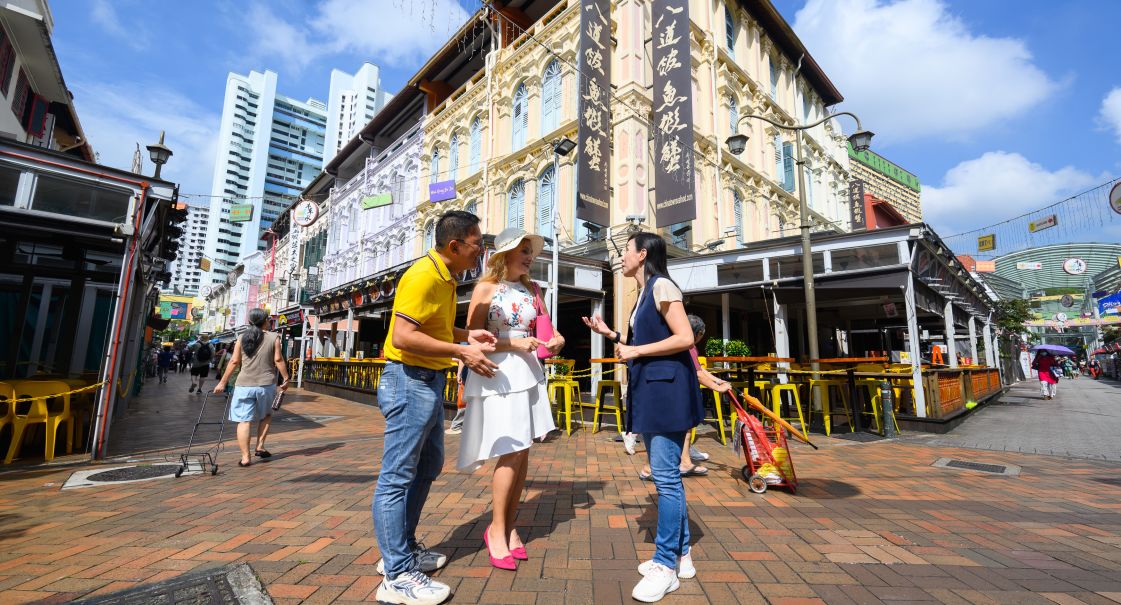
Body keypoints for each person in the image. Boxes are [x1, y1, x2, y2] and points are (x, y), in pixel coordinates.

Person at [372, 210, 498, 605]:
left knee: (426, 468)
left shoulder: (445, 277)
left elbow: (431, 328)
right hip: (408, 380)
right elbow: (404, 336)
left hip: (425, 381)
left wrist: (464, 333)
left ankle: (403, 551)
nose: (482, 251)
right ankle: (395, 575)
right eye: (478, 244)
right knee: (396, 478)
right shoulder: (424, 275)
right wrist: (461, 349)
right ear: (455, 245)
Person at [582, 232, 703, 603]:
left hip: (667, 393)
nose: (621, 257)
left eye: (626, 251)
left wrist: (634, 349)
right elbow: (647, 339)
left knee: (666, 479)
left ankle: (665, 564)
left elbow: (684, 337)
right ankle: (682, 554)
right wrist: (613, 334)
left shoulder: (663, 285)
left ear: (643, 253)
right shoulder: (644, 292)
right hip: (654, 392)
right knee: (667, 478)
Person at [458, 228, 563, 571]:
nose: (529, 256)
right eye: (523, 249)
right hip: (497, 373)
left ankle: (508, 526)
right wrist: (511, 344)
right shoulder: (485, 288)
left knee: (521, 452)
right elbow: (472, 340)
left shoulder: (534, 289)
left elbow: (544, 333)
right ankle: (497, 530)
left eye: (531, 250)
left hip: (528, 372)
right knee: (510, 451)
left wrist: (557, 339)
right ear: (503, 254)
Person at [638, 314, 730, 480]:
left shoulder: (682, 345)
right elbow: (698, 374)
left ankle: (682, 462)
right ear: (698, 333)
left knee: (681, 429)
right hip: (677, 392)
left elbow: (700, 370)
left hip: (670, 391)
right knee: (667, 431)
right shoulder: (687, 346)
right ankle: (652, 467)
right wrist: (717, 388)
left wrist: (717, 380)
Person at [213, 309, 290, 466]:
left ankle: (245, 457)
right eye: (268, 320)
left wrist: (222, 382)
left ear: (250, 322)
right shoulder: (274, 337)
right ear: (265, 321)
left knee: (243, 421)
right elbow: (278, 359)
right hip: (266, 384)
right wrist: (286, 378)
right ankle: (260, 446)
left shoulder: (241, 337)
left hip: (243, 385)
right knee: (266, 415)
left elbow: (234, 361)